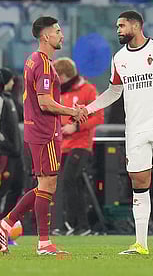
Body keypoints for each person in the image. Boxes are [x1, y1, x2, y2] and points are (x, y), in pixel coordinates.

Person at [83, 10, 153, 255]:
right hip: (135, 129)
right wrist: (88, 109)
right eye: (117, 27)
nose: (118, 30)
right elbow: (113, 92)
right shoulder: (119, 58)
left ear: (136, 25)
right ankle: (141, 243)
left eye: (121, 26)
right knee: (139, 183)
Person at [0, 16, 87, 256]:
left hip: (38, 131)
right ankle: (37, 239)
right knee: (47, 184)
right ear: (46, 36)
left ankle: (10, 225)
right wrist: (72, 111)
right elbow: (44, 103)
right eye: (57, 31)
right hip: (45, 132)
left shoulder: (33, 60)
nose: (61, 35)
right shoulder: (43, 64)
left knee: (45, 185)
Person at [52, 57, 104, 236]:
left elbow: (98, 117)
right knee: (72, 184)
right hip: (62, 145)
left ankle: (76, 223)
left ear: (66, 75)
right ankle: (77, 225)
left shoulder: (88, 90)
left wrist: (77, 126)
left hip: (81, 144)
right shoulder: (58, 93)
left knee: (69, 180)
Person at [0, 68, 25, 221]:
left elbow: (22, 115)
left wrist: (17, 92)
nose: (13, 82)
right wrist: (2, 142)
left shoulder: (10, 99)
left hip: (15, 152)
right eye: (11, 80)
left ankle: (6, 222)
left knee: (17, 186)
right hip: (4, 152)